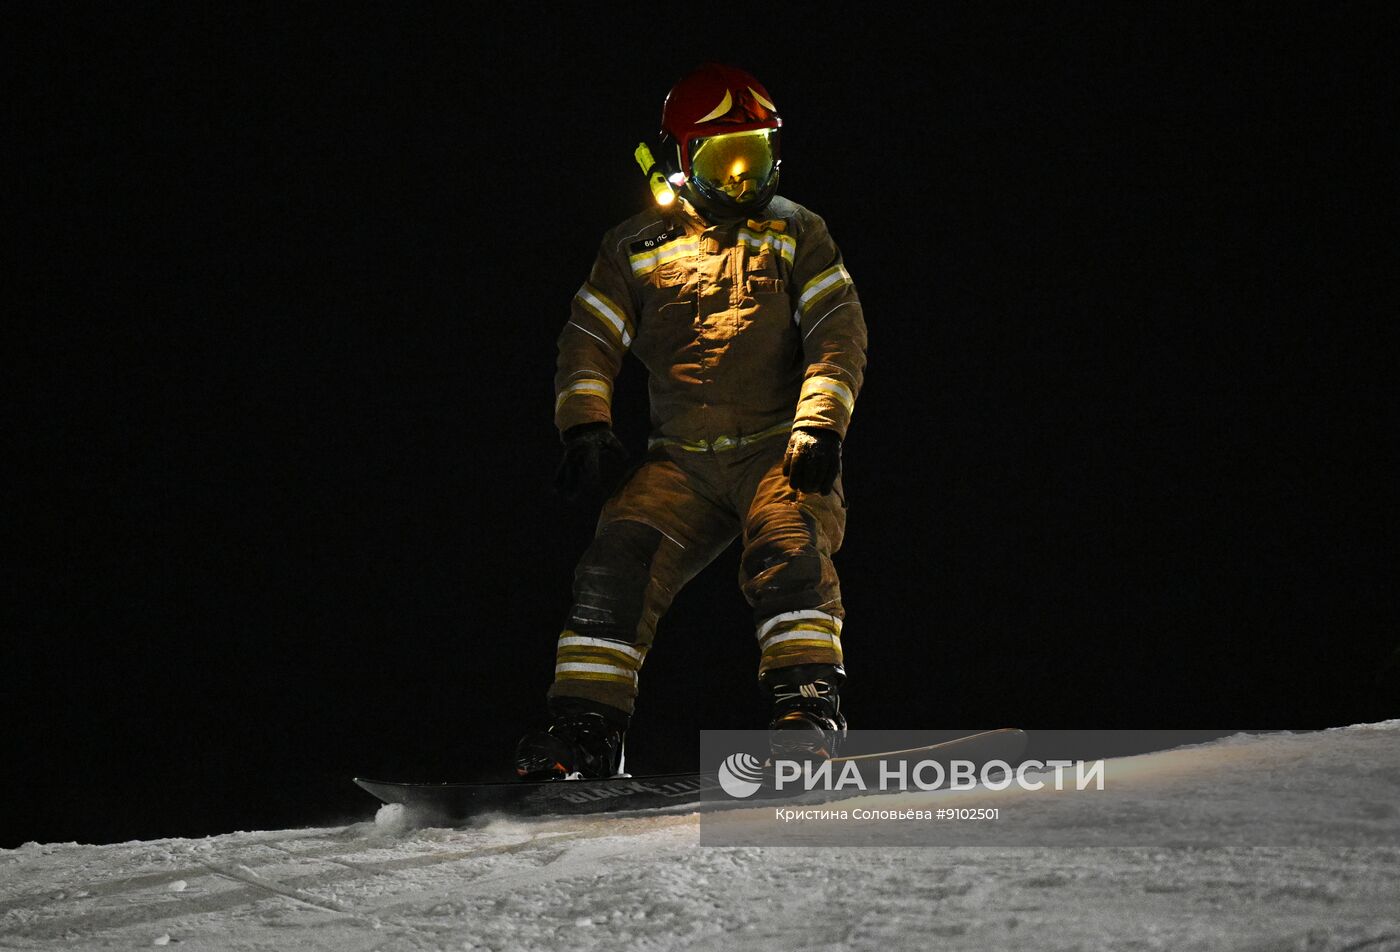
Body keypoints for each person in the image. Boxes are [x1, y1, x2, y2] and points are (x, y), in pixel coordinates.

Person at [514, 63, 868, 781]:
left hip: (777, 447)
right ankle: (585, 730)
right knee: (616, 562)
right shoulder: (636, 247)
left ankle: (807, 713)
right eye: (721, 162)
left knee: (789, 547)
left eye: (755, 158)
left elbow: (839, 328)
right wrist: (584, 423)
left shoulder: (796, 232)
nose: (742, 181)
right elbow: (589, 336)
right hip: (680, 461)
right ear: (680, 160)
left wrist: (820, 425)